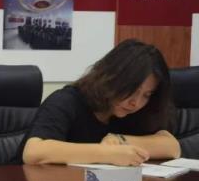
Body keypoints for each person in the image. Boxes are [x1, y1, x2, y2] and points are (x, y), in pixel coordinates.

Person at [21, 39, 180, 166]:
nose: (136, 103)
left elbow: (172, 147)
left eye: (147, 95)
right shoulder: (66, 101)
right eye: (132, 90)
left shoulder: (138, 111)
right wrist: (108, 153)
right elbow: (33, 152)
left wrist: (120, 140)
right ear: (111, 78)